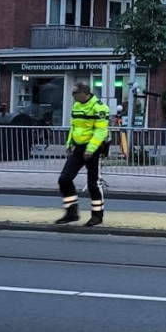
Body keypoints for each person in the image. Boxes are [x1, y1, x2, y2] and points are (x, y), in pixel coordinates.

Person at [56, 82, 110, 226]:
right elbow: (74, 127)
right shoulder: (77, 106)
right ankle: (71, 213)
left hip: (93, 148)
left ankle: (97, 216)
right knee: (64, 179)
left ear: (84, 93)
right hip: (78, 147)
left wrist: (91, 149)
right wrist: (69, 144)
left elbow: (101, 131)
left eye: (74, 93)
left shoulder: (99, 107)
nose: (72, 96)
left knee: (93, 183)